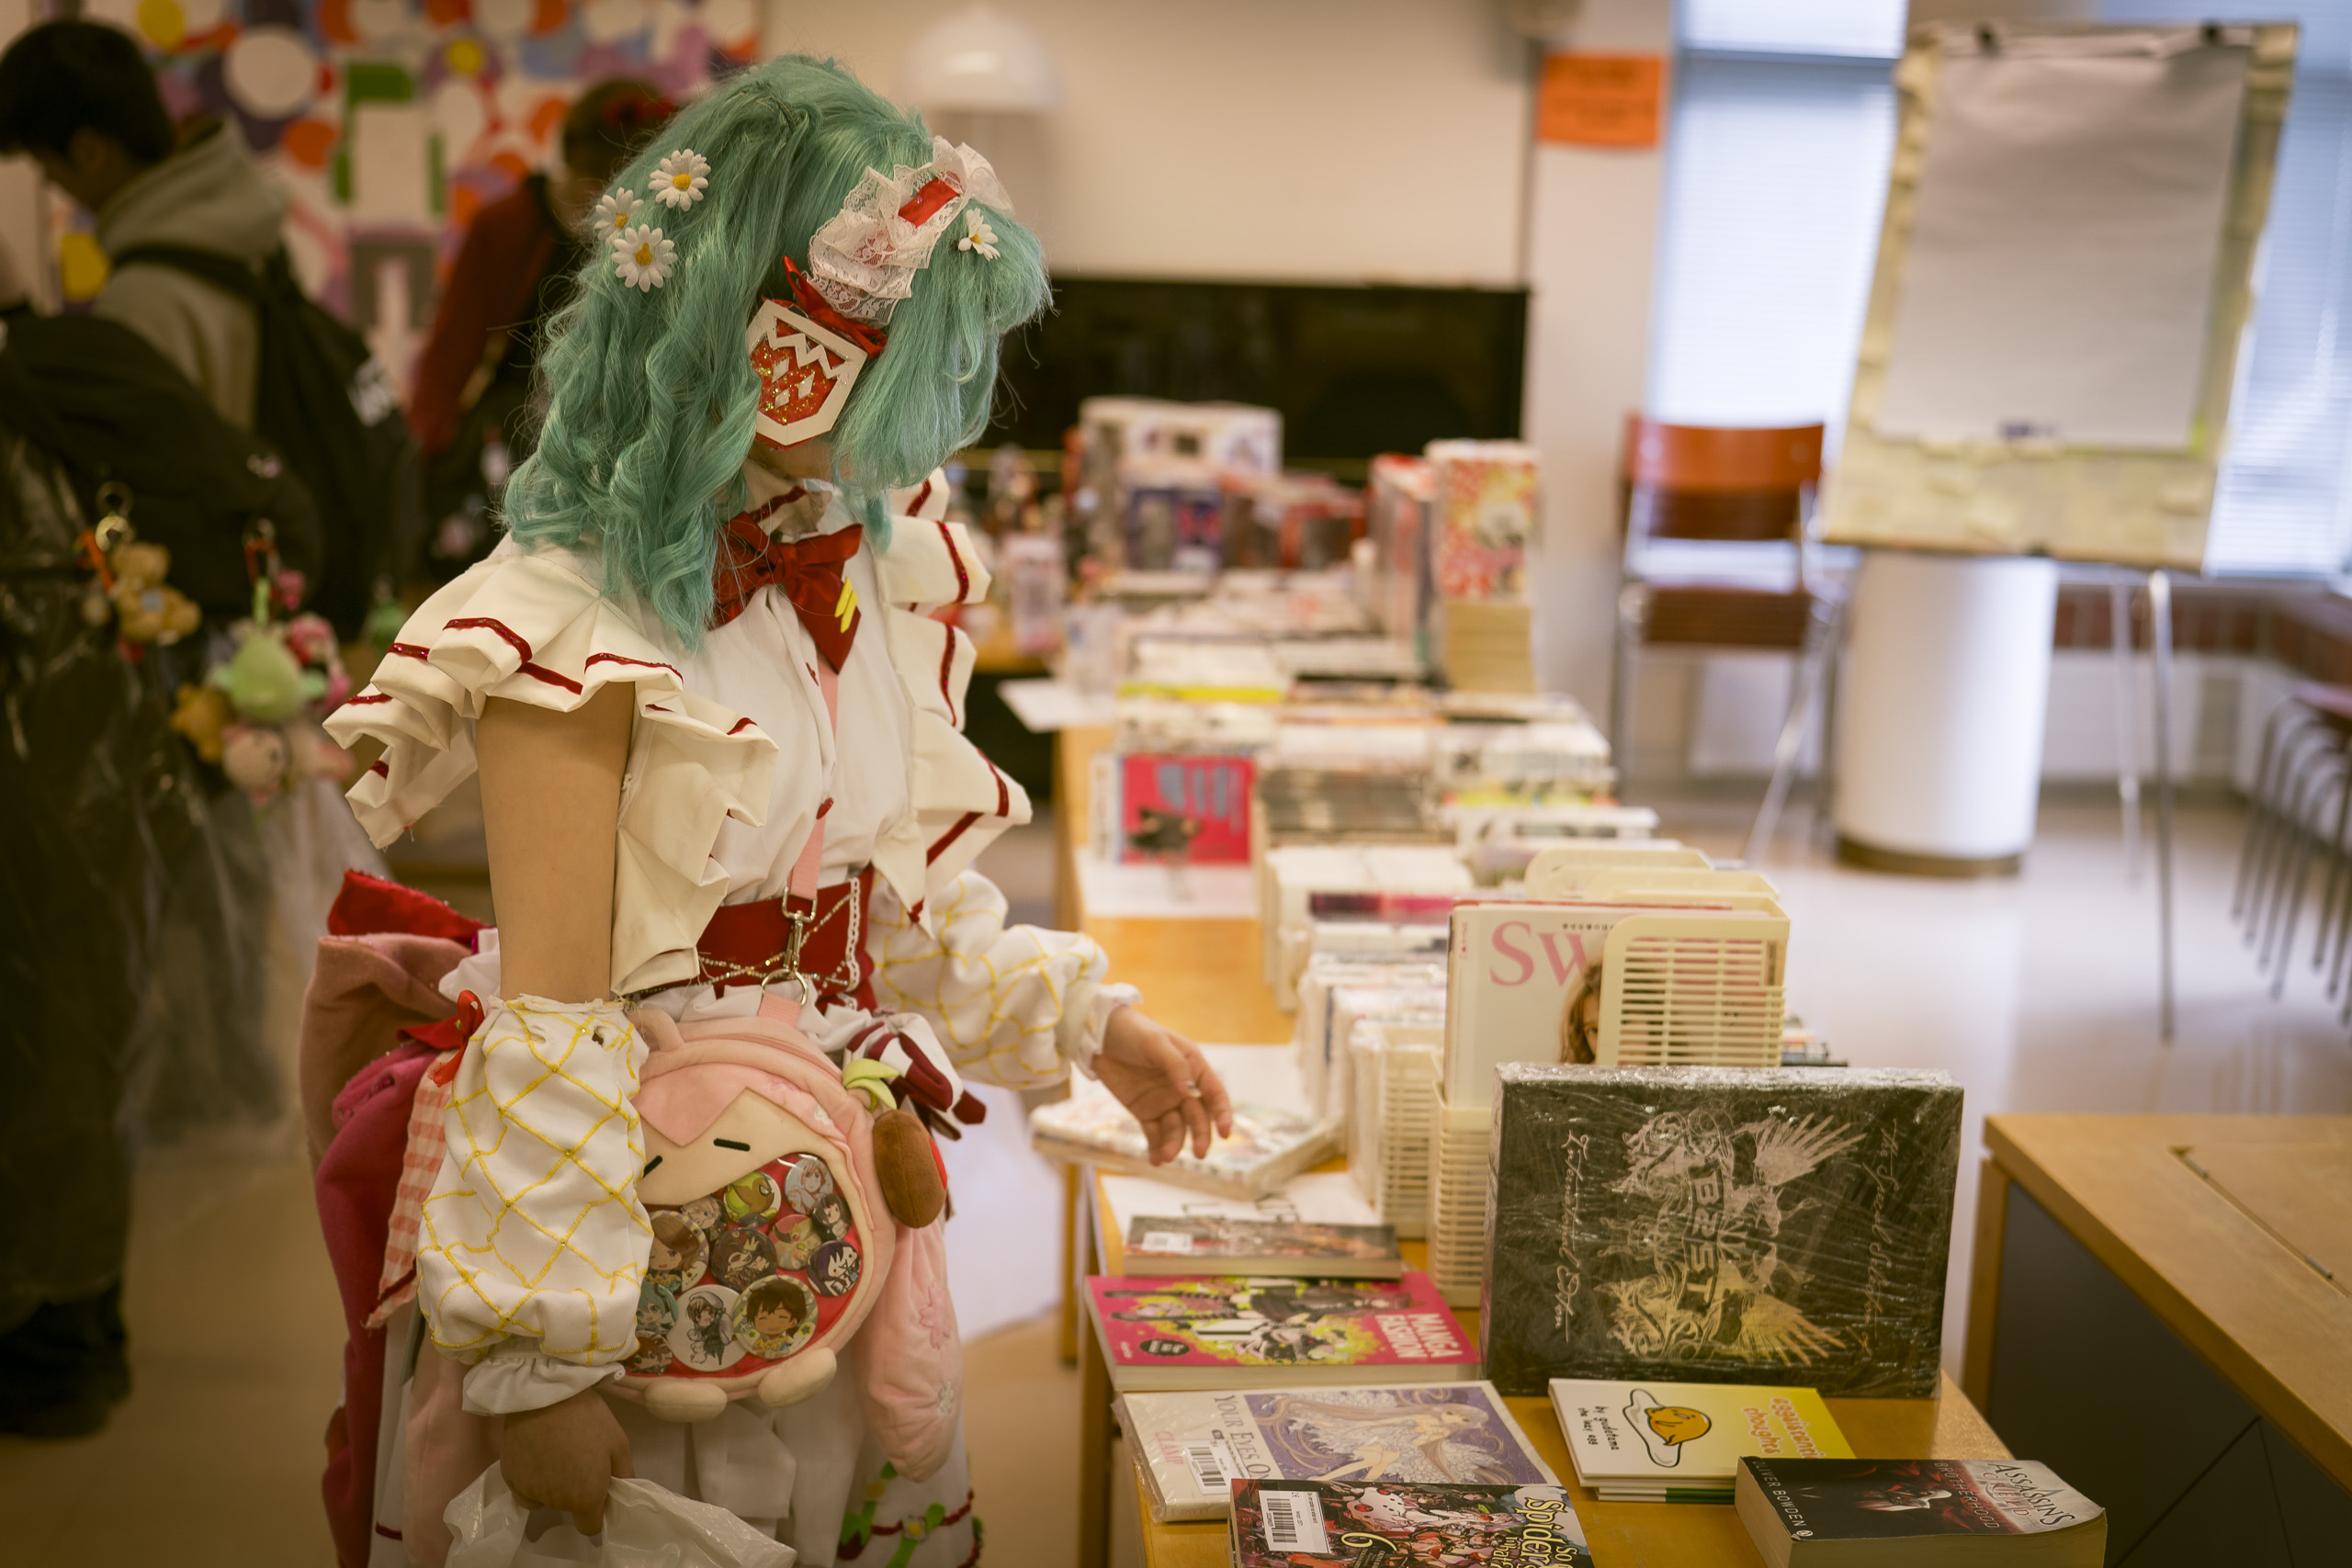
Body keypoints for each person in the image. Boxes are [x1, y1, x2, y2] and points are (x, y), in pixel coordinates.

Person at [319, 56, 1232, 1562]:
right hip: (633, 1227)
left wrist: (1090, 1022)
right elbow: (552, 1010)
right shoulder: (570, 618)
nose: (925, 422)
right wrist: (540, 1361)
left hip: (816, 1197)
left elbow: (883, 901)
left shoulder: (860, 556)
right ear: (769, 343)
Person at [407, 80, 673, 574]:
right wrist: (420, 456)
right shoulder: (506, 225)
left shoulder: (660, 239)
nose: (602, 206)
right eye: (593, 187)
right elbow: (452, 351)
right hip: (514, 438)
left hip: (621, 442)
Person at [0, 20, 287, 430]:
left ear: (89, 152)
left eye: (45, 164)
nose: (50, 182)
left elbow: (126, 451)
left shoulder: (145, 296)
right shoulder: (249, 225)